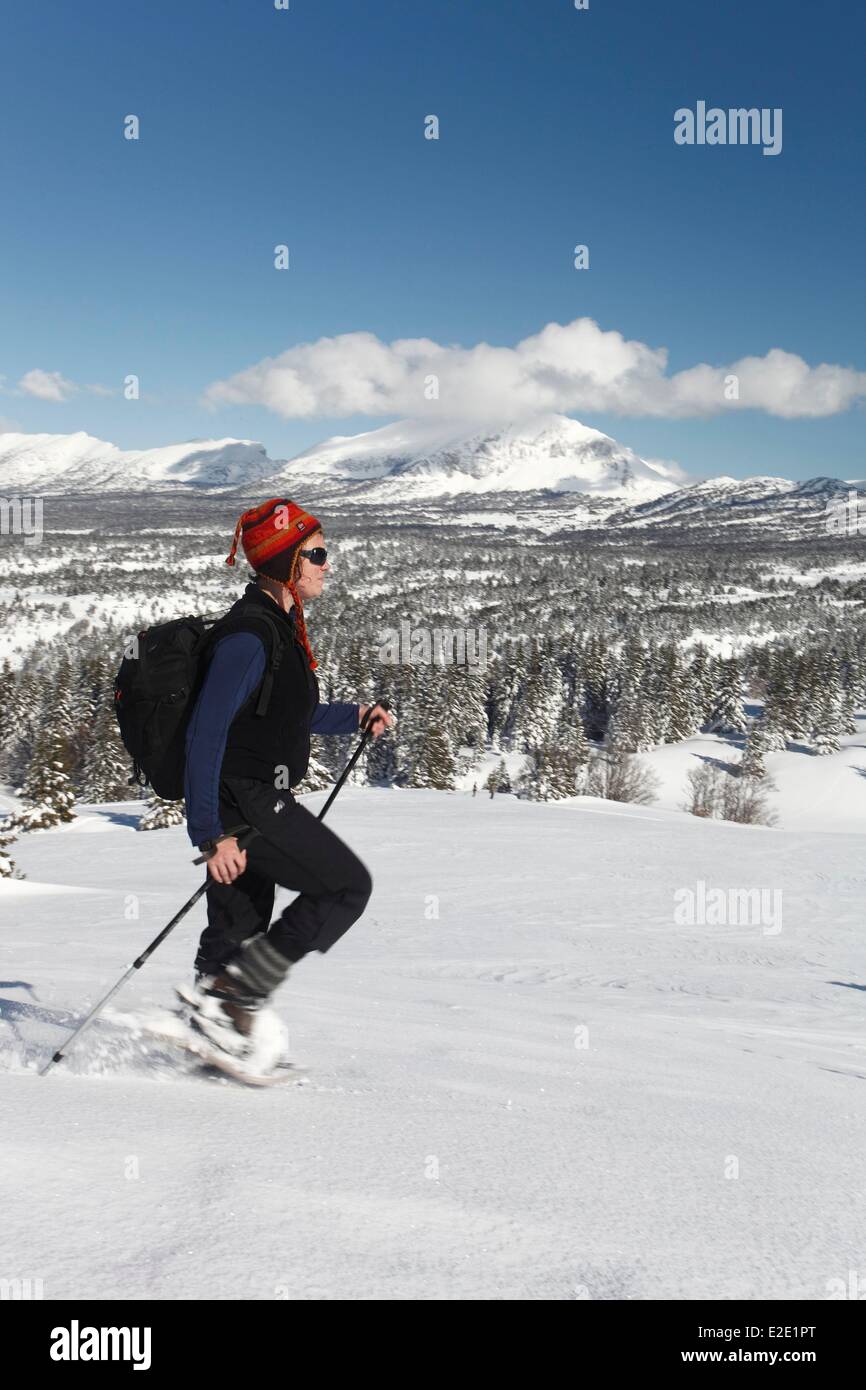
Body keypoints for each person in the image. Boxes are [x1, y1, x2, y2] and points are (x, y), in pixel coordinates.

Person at [182, 497, 394, 1064]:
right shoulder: (249, 637)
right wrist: (211, 833)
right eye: (317, 553)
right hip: (247, 803)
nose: (328, 563)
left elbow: (280, 717)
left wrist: (353, 716)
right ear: (284, 562)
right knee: (346, 886)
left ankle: (206, 1039)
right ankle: (238, 995)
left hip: (243, 800)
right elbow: (206, 735)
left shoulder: (278, 627)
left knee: (237, 929)